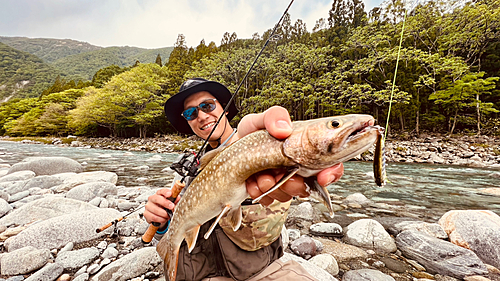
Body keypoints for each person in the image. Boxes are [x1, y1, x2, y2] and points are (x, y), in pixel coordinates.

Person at [144, 78, 344, 281]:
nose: (202, 116)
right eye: (191, 113)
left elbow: (267, 227)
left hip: (262, 273)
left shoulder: (262, 144)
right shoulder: (187, 169)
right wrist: (162, 224)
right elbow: (178, 227)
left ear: (226, 109)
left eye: (207, 106)